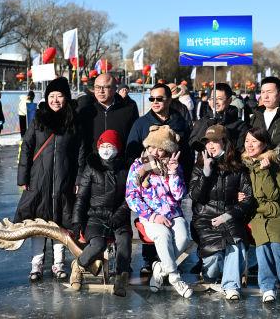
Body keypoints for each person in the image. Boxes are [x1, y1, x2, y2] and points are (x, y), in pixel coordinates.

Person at [14, 77, 81, 282]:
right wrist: (23, 176)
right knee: (38, 224)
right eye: (51, 96)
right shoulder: (38, 119)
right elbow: (26, 147)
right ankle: (36, 265)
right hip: (39, 180)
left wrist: (78, 179)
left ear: (66, 98)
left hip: (64, 180)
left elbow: (81, 152)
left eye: (59, 96)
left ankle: (58, 264)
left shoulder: (73, 121)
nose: (55, 100)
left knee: (60, 223)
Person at [126, 83, 194, 273]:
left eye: (159, 99)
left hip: (171, 181)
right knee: (156, 230)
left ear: (169, 100)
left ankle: (163, 266)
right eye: (152, 99)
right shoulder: (141, 123)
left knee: (177, 233)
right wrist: (143, 168)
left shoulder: (179, 121)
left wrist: (181, 175)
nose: (155, 102)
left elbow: (186, 152)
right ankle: (150, 261)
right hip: (148, 185)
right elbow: (131, 152)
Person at [188, 124, 256, 301]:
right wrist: (206, 173)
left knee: (236, 245)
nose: (211, 146)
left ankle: (231, 286)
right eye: (208, 142)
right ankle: (210, 274)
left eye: (215, 141)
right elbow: (194, 195)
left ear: (225, 143)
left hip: (229, 216)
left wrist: (228, 215)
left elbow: (248, 198)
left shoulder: (238, 167)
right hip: (205, 219)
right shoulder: (199, 166)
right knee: (213, 265)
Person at [125, 125, 193, 298]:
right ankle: (175, 277)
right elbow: (131, 196)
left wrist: (174, 173)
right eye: (152, 147)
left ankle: (160, 268)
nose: (155, 151)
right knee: (163, 235)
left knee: (184, 238)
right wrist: (153, 216)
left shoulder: (173, 165)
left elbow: (179, 195)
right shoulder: (138, 166)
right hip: (150, 215)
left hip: (173, 212)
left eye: (160, 148)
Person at [70, 130, 132, 296]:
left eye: (110, 146)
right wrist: (77, 221)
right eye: (102, 146)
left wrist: (119, 216)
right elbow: (81, 197)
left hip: (119, 217)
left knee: (124, 243)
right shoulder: (91, 168)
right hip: (95, 216)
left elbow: (131, 197)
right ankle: (78, 266)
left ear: (117, 148)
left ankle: (121, 278)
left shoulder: (126, 169)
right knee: (98, 245)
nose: (105, 149)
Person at [242, 127, 280, 303]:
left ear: (264, 144)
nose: (249, 145)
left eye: (254, 141)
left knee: (276, 243)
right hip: (258, 214)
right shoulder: (243, 164)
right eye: (247, 141)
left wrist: (265, 172)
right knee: (262, 245)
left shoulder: (274, 163)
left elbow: (274, 195)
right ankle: (267, 286)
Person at [78, 73, 139, 172]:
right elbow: (81, 144)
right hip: (92, 170)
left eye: (105, 87)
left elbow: (135, 139)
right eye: (97, 87)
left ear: (115, 89)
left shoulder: (128, 109)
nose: (101, 91)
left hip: (120, 169)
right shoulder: (86, 110)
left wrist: (130, 163)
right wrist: (80, 172)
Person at [189, 83, 249, 153]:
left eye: (219, 99)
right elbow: (193, 144)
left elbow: (239, 149)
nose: (215, 102)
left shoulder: (240, 125)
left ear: (229, 100)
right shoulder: (202, 121)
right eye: (212, 98)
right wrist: (206, 126)